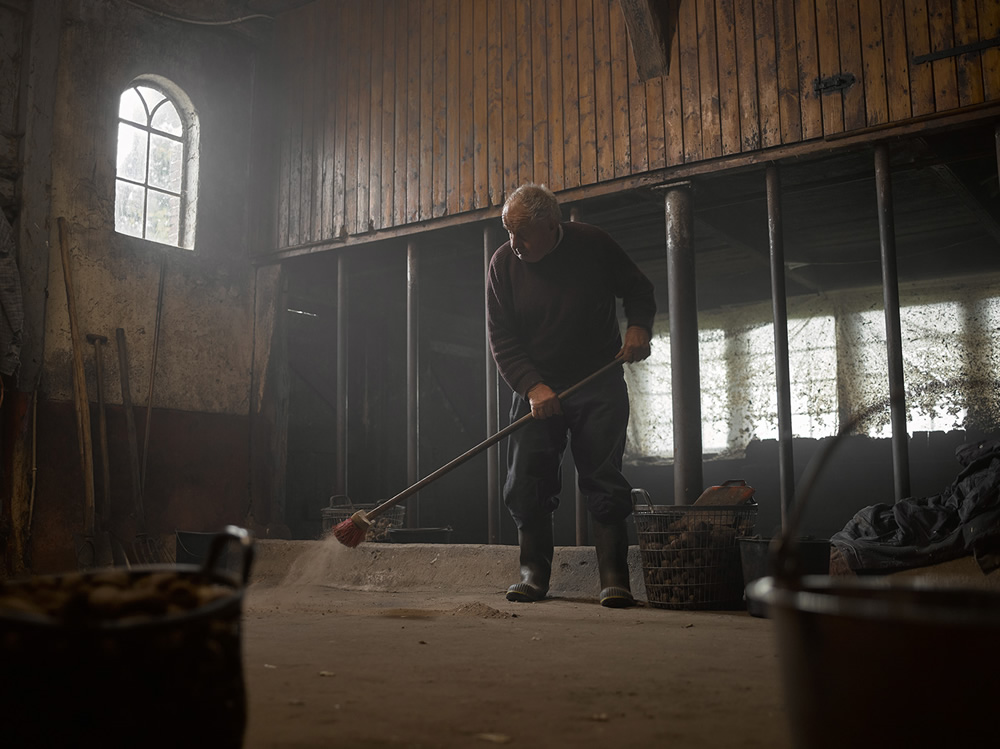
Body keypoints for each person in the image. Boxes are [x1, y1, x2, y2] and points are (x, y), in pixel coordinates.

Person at [486, 183, 655, 607]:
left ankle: (614, 576)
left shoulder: (593, 244)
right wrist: (531, 386)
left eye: (523, 233)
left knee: (603, 477)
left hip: (597, 380)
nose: (515, 243)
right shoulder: (503, 264)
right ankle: (533, 572)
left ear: (552, 225)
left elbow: (638, 288)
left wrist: (639, 326)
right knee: (525, 479)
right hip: (536, 387)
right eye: (508, 231)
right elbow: (502, 338)